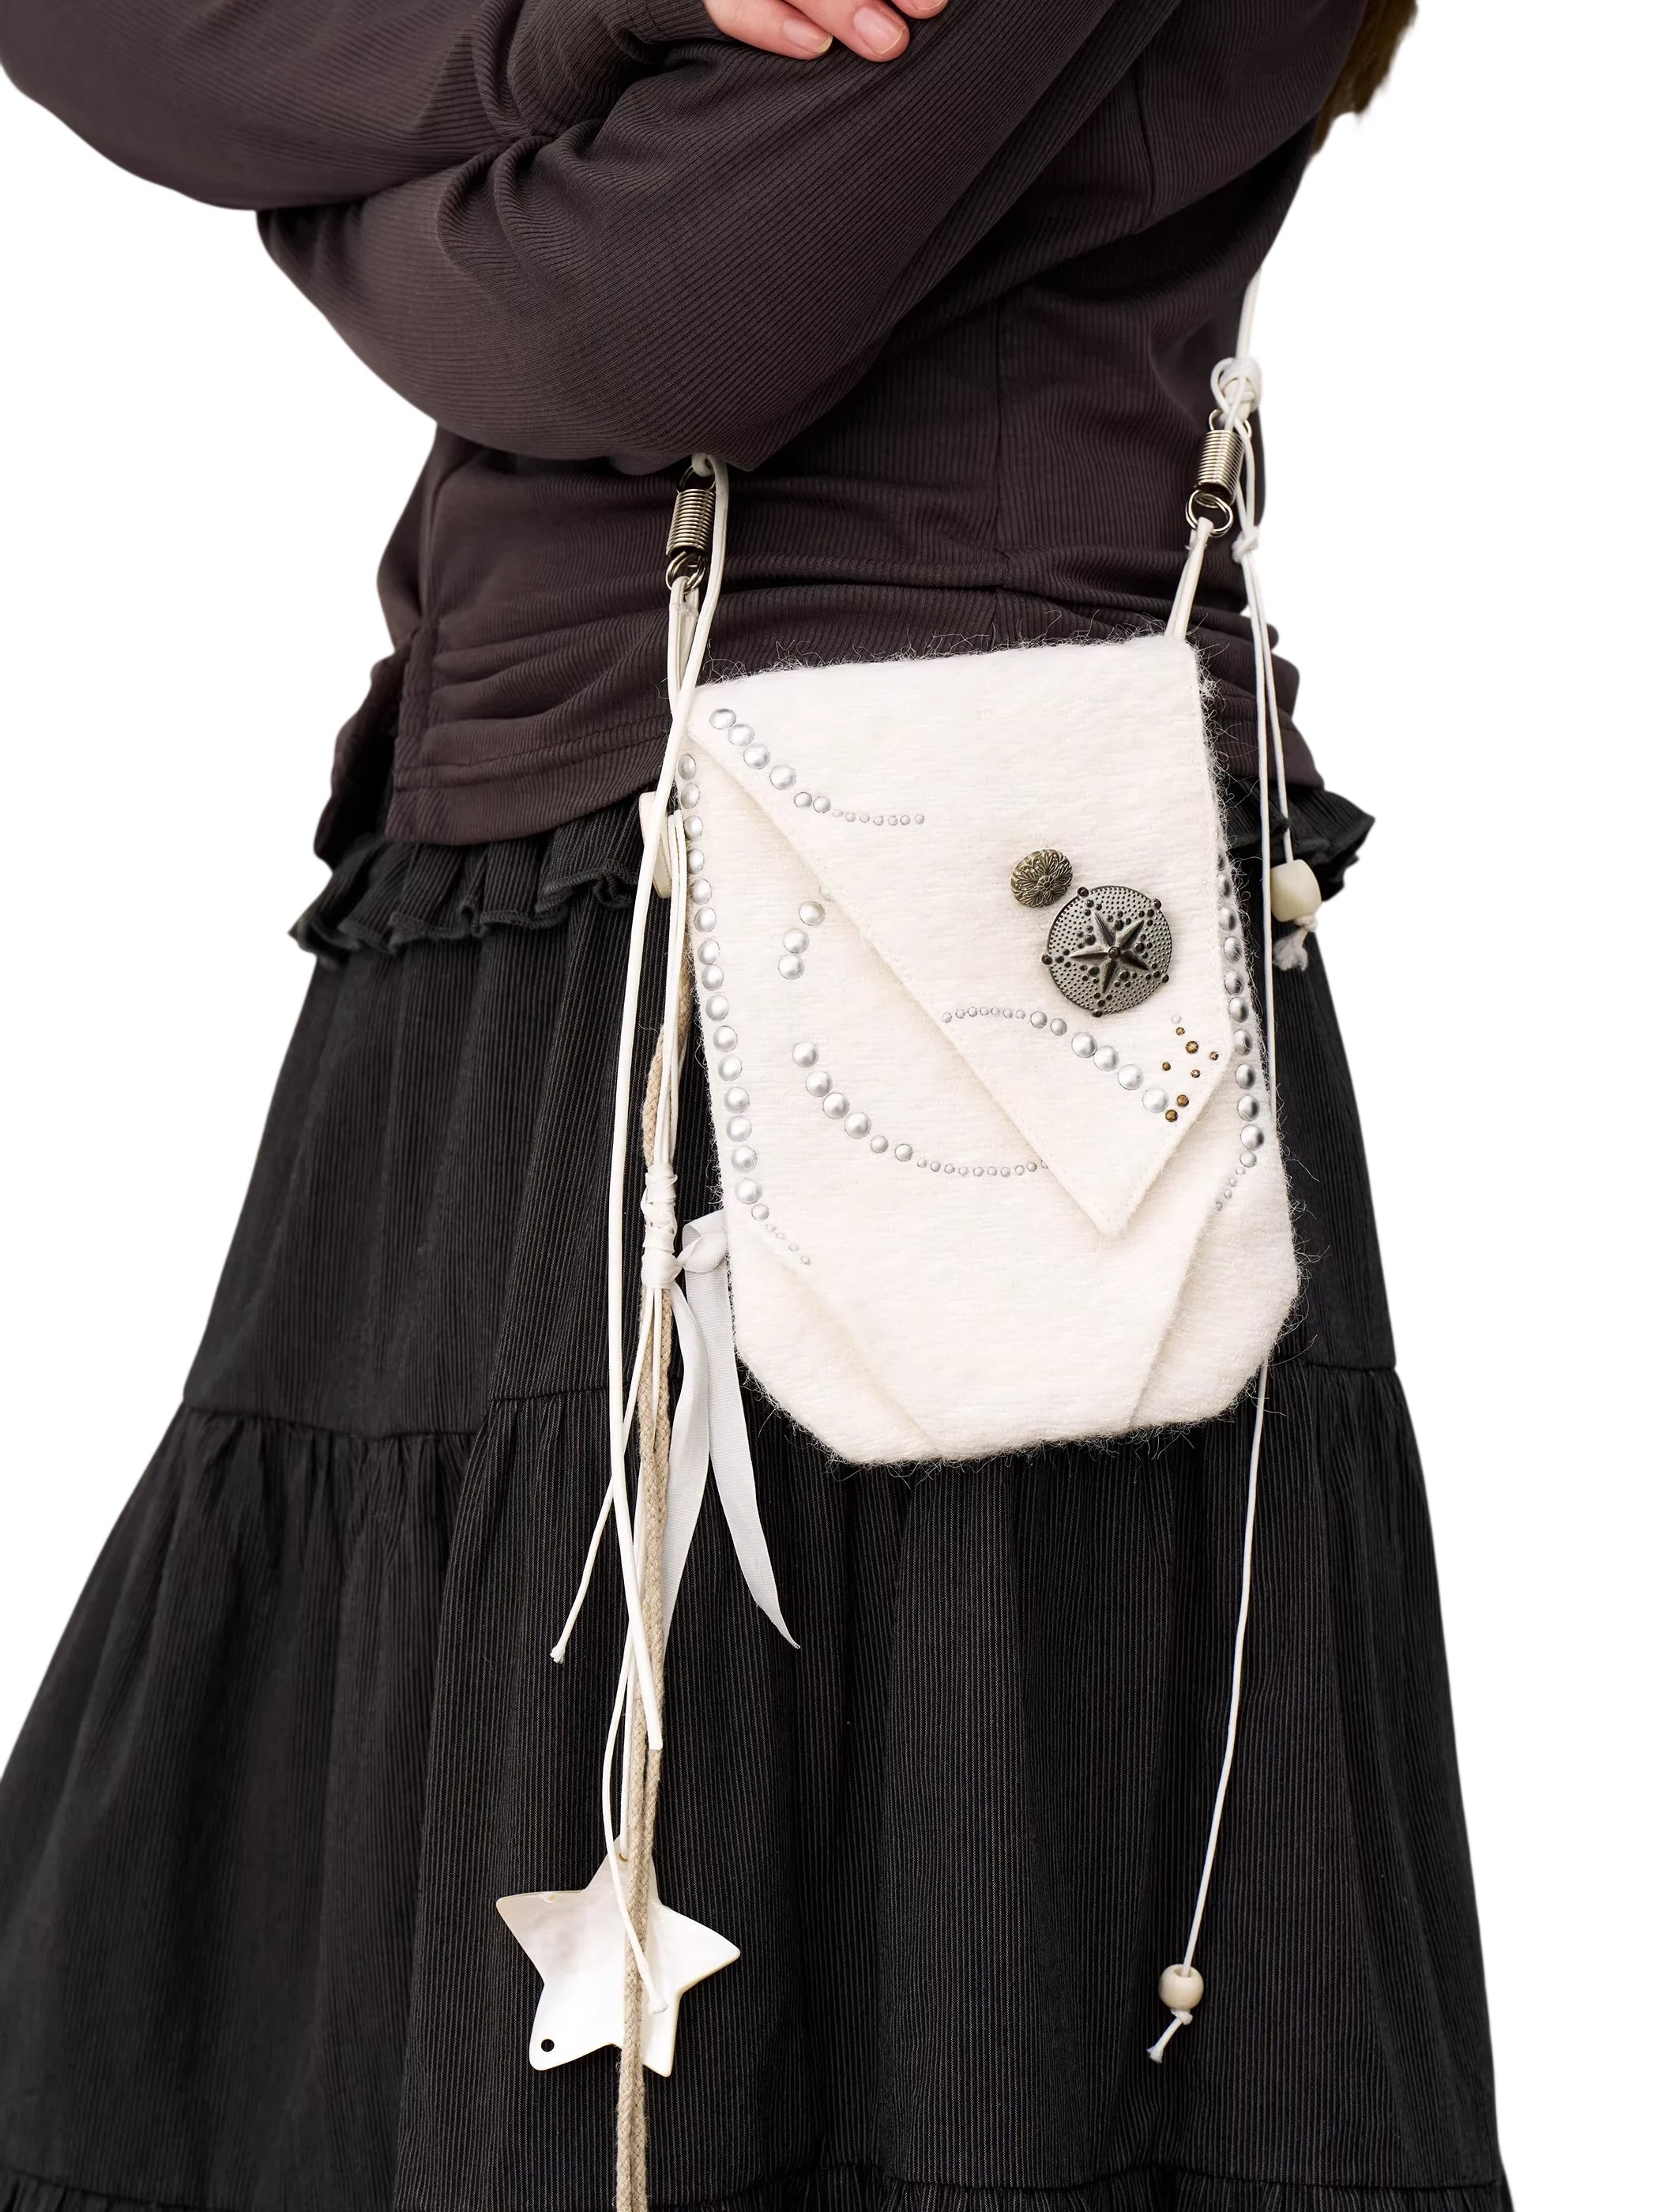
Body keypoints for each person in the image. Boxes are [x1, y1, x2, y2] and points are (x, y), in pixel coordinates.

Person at [0, 1, 1512, 2207]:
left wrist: (329, 182)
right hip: (532, 899)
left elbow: (635, 325)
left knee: (924, 1932)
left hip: (920, 955)